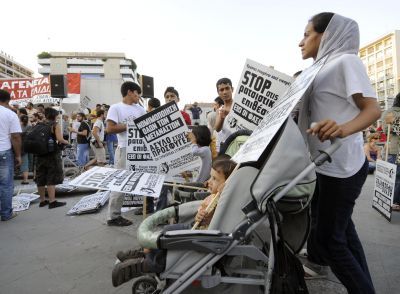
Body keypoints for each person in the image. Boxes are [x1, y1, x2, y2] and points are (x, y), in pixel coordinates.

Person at [297, 12, 380, 293]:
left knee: (330, 242)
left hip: (342, 167)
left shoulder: (346, 61)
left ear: (326, 35)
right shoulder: (320, 70)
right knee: (343, 233)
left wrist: (341, 129)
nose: (301, 41)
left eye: (307, 34)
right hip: (323, 165)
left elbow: (372, 109)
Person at [111, 158, 237, 287]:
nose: (209, 182)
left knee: (169, 240)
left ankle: (145, 265)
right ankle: (145, 252)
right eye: (211, 177)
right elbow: (202, 209)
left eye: (215, 179)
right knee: (167, 231)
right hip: (196, 228)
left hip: (202, 236)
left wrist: (205, 216)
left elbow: (213, 218)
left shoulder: (222, 201)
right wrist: (200, 213)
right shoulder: (214, 196)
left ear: (227, 185)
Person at [106, 81, 146, 226]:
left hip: (140, 149)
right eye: (137, 93)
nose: (138, 97)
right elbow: (110, 129)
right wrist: (131, 125)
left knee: (144, 179)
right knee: (121, 182)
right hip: (124, 149)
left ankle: (147, 207)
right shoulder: (115, 107)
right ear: (130, 92)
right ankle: (113, 216)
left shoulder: (140, 109)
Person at [35, 107, 69, 209]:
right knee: (51, 176)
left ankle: (42, 201)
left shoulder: (39, 124)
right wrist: (67, 142)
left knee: (40, 176)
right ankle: (52, 201)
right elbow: (60, 139)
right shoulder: (55, 125)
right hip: (52, 154)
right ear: (54, 116)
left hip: (40, 154)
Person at [0, 90, 22, 221]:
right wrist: (18, 155)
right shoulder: (10, 114)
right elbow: (15, 136)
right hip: (4, 151)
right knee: (6, 184)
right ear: (8, 100)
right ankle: (6, 213)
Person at [381, 92, 400, 211]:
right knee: (395, 175)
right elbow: (385, 129)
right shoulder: (390, 112)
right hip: (394, 149)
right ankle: (394, 201)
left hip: (395, 150)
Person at [214, 78, 234, 152]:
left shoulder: (238, 107)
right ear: (218, 93)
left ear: (232, 89)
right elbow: (217, 129)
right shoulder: (219, 110)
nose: (225, 92)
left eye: (227, 88)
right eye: (221, 90)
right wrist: (222, 118)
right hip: (225, 148)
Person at [19, 114, 32, 184]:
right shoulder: (30, 126)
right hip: (28, 145)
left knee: (24, 162)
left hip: (21, 146)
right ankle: (26, 179)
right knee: (27, 161)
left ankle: (25, 179)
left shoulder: (18, 127)